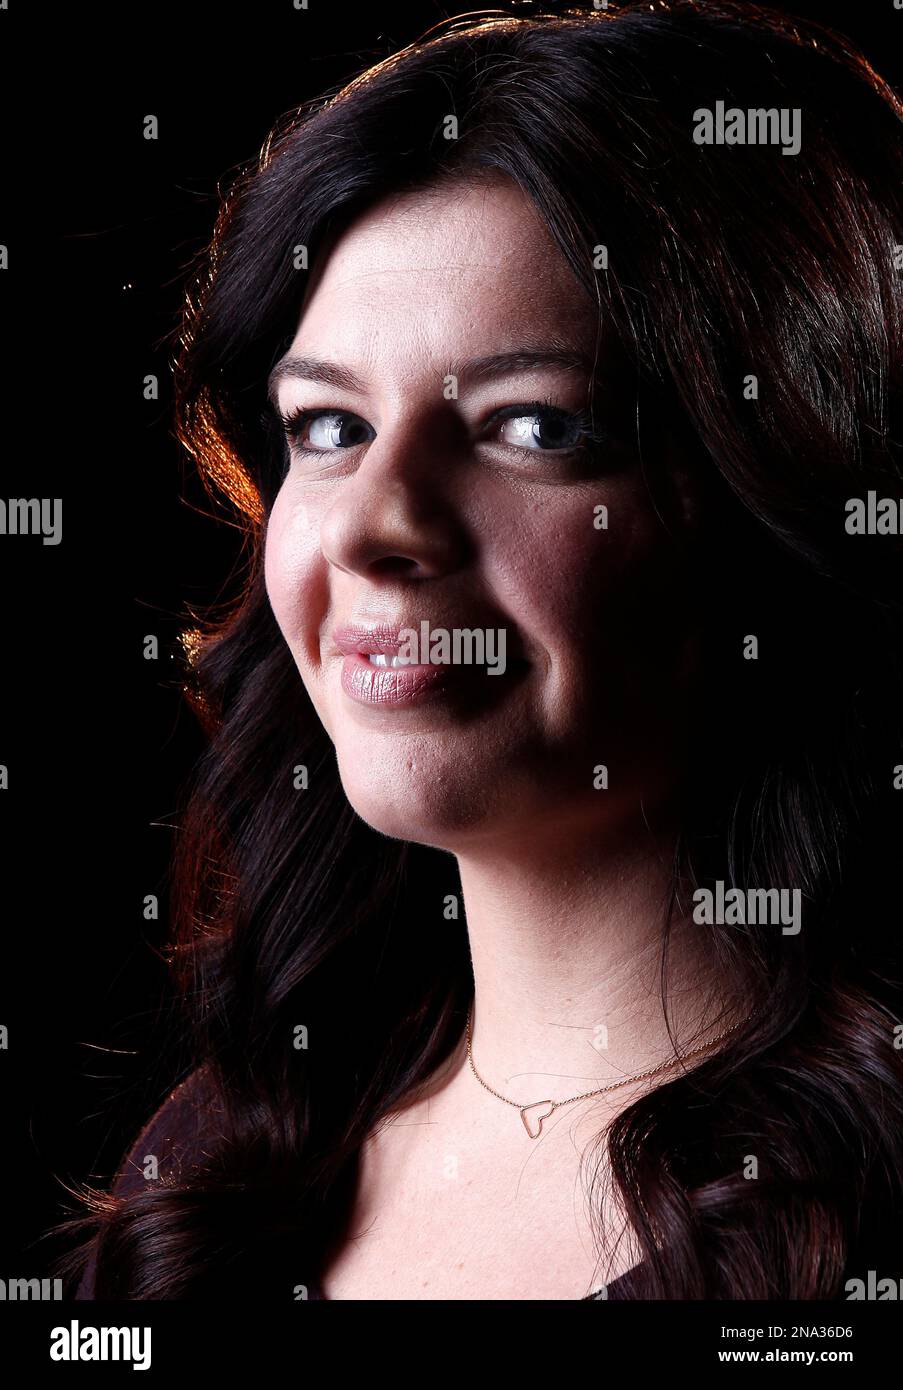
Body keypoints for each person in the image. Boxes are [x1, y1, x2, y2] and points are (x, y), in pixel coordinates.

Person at [61, 1, 903, 1300]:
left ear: (780, 496)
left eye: (536, 428)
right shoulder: (220, 1164)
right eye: (330, 428)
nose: (376, 527)